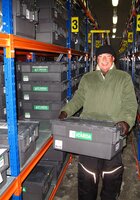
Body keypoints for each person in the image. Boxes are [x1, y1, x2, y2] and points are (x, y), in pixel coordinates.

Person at [58, 45, 138, 200]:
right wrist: (66, 110)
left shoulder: (123, 78)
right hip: (89, 132)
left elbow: (130, 103)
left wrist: (126, 122)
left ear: (113, 59)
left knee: (111, 174)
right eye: (101, 57)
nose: (104, 60)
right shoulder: (88, 78)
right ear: (97, 60)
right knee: (87, 173)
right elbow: (79, 98)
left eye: (108, 56)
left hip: (113, 133)